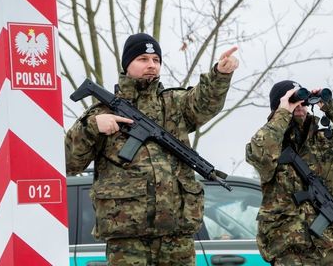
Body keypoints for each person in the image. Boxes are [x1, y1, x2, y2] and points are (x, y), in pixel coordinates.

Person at [65, 33, 239, 265]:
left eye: (156, 60)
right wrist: (91, 127)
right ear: (127, 64)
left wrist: (220, 75)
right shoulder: (101, 113)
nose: (151, 65)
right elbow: (69, 163)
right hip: (128, 240)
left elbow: (203, 103)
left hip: (177, 236)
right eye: (143, 59)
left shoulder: (174, 103)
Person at [245, 80, 333, 266]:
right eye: (293, 100)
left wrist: (331, 108)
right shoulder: (271, 145)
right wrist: (283, 112)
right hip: (293, 254)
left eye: (303, 101)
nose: (299, 106)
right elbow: (259, 154)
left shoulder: (327, 143)